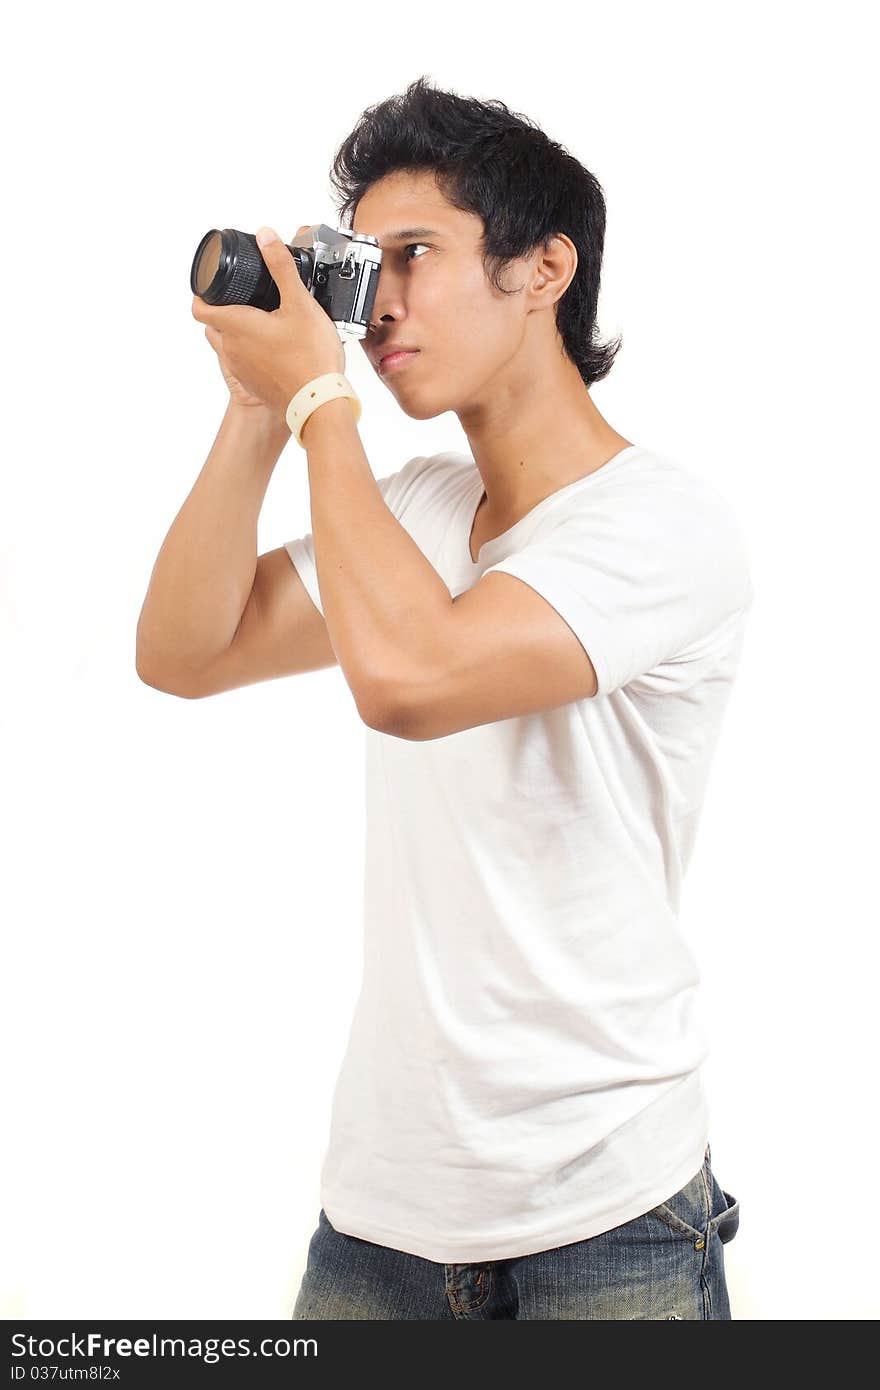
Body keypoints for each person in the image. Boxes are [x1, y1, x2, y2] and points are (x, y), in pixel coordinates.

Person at [137, 76, 749, 1320]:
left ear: (543, 270)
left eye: (416, 255)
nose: (381, 310)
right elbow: (184, 650)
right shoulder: (410, 504)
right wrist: (263, 403)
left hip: (606, 1215)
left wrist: (320, 403)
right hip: (382, 1214)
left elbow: (413, 681)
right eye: (371, 270)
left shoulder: (661, 526)